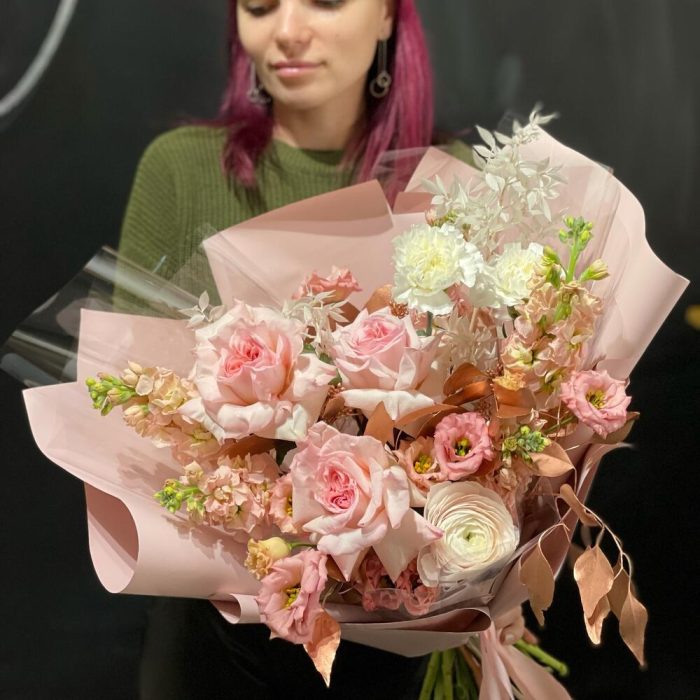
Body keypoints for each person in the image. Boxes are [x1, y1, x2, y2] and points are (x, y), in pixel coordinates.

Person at [117, 1, 522, 697]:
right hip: (216, 633)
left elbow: (503, 407)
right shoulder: (182, 169)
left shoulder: (451, 182)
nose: (286, 32)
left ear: (388, 15)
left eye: (325, 1)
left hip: (402, 636)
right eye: (259, 6)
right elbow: (130, 409)